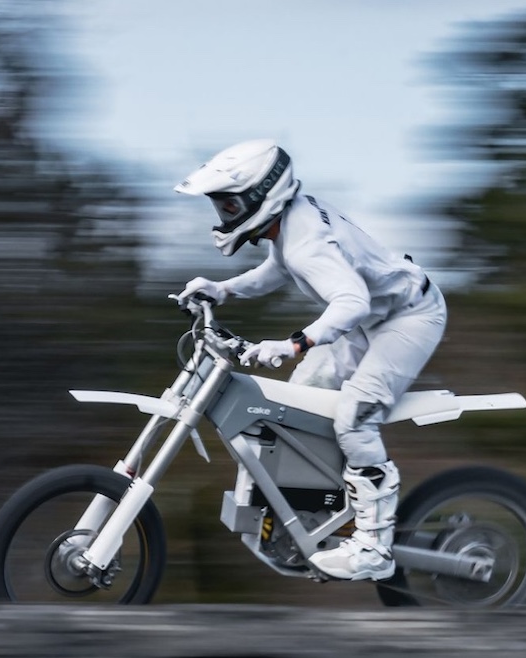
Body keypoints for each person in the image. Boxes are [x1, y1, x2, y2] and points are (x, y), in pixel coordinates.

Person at [172, 140, 446, 581]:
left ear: (263, 195)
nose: (223, 215)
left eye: (229, 204)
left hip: (409, 317)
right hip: (372, 320)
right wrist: (223, 290)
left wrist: (294, 343)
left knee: (356, 416)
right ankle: (314, 514)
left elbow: (352, 300)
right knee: (300, 404)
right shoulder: (290, 223)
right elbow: (278, 270)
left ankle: (374, 548)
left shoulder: (305, 238)